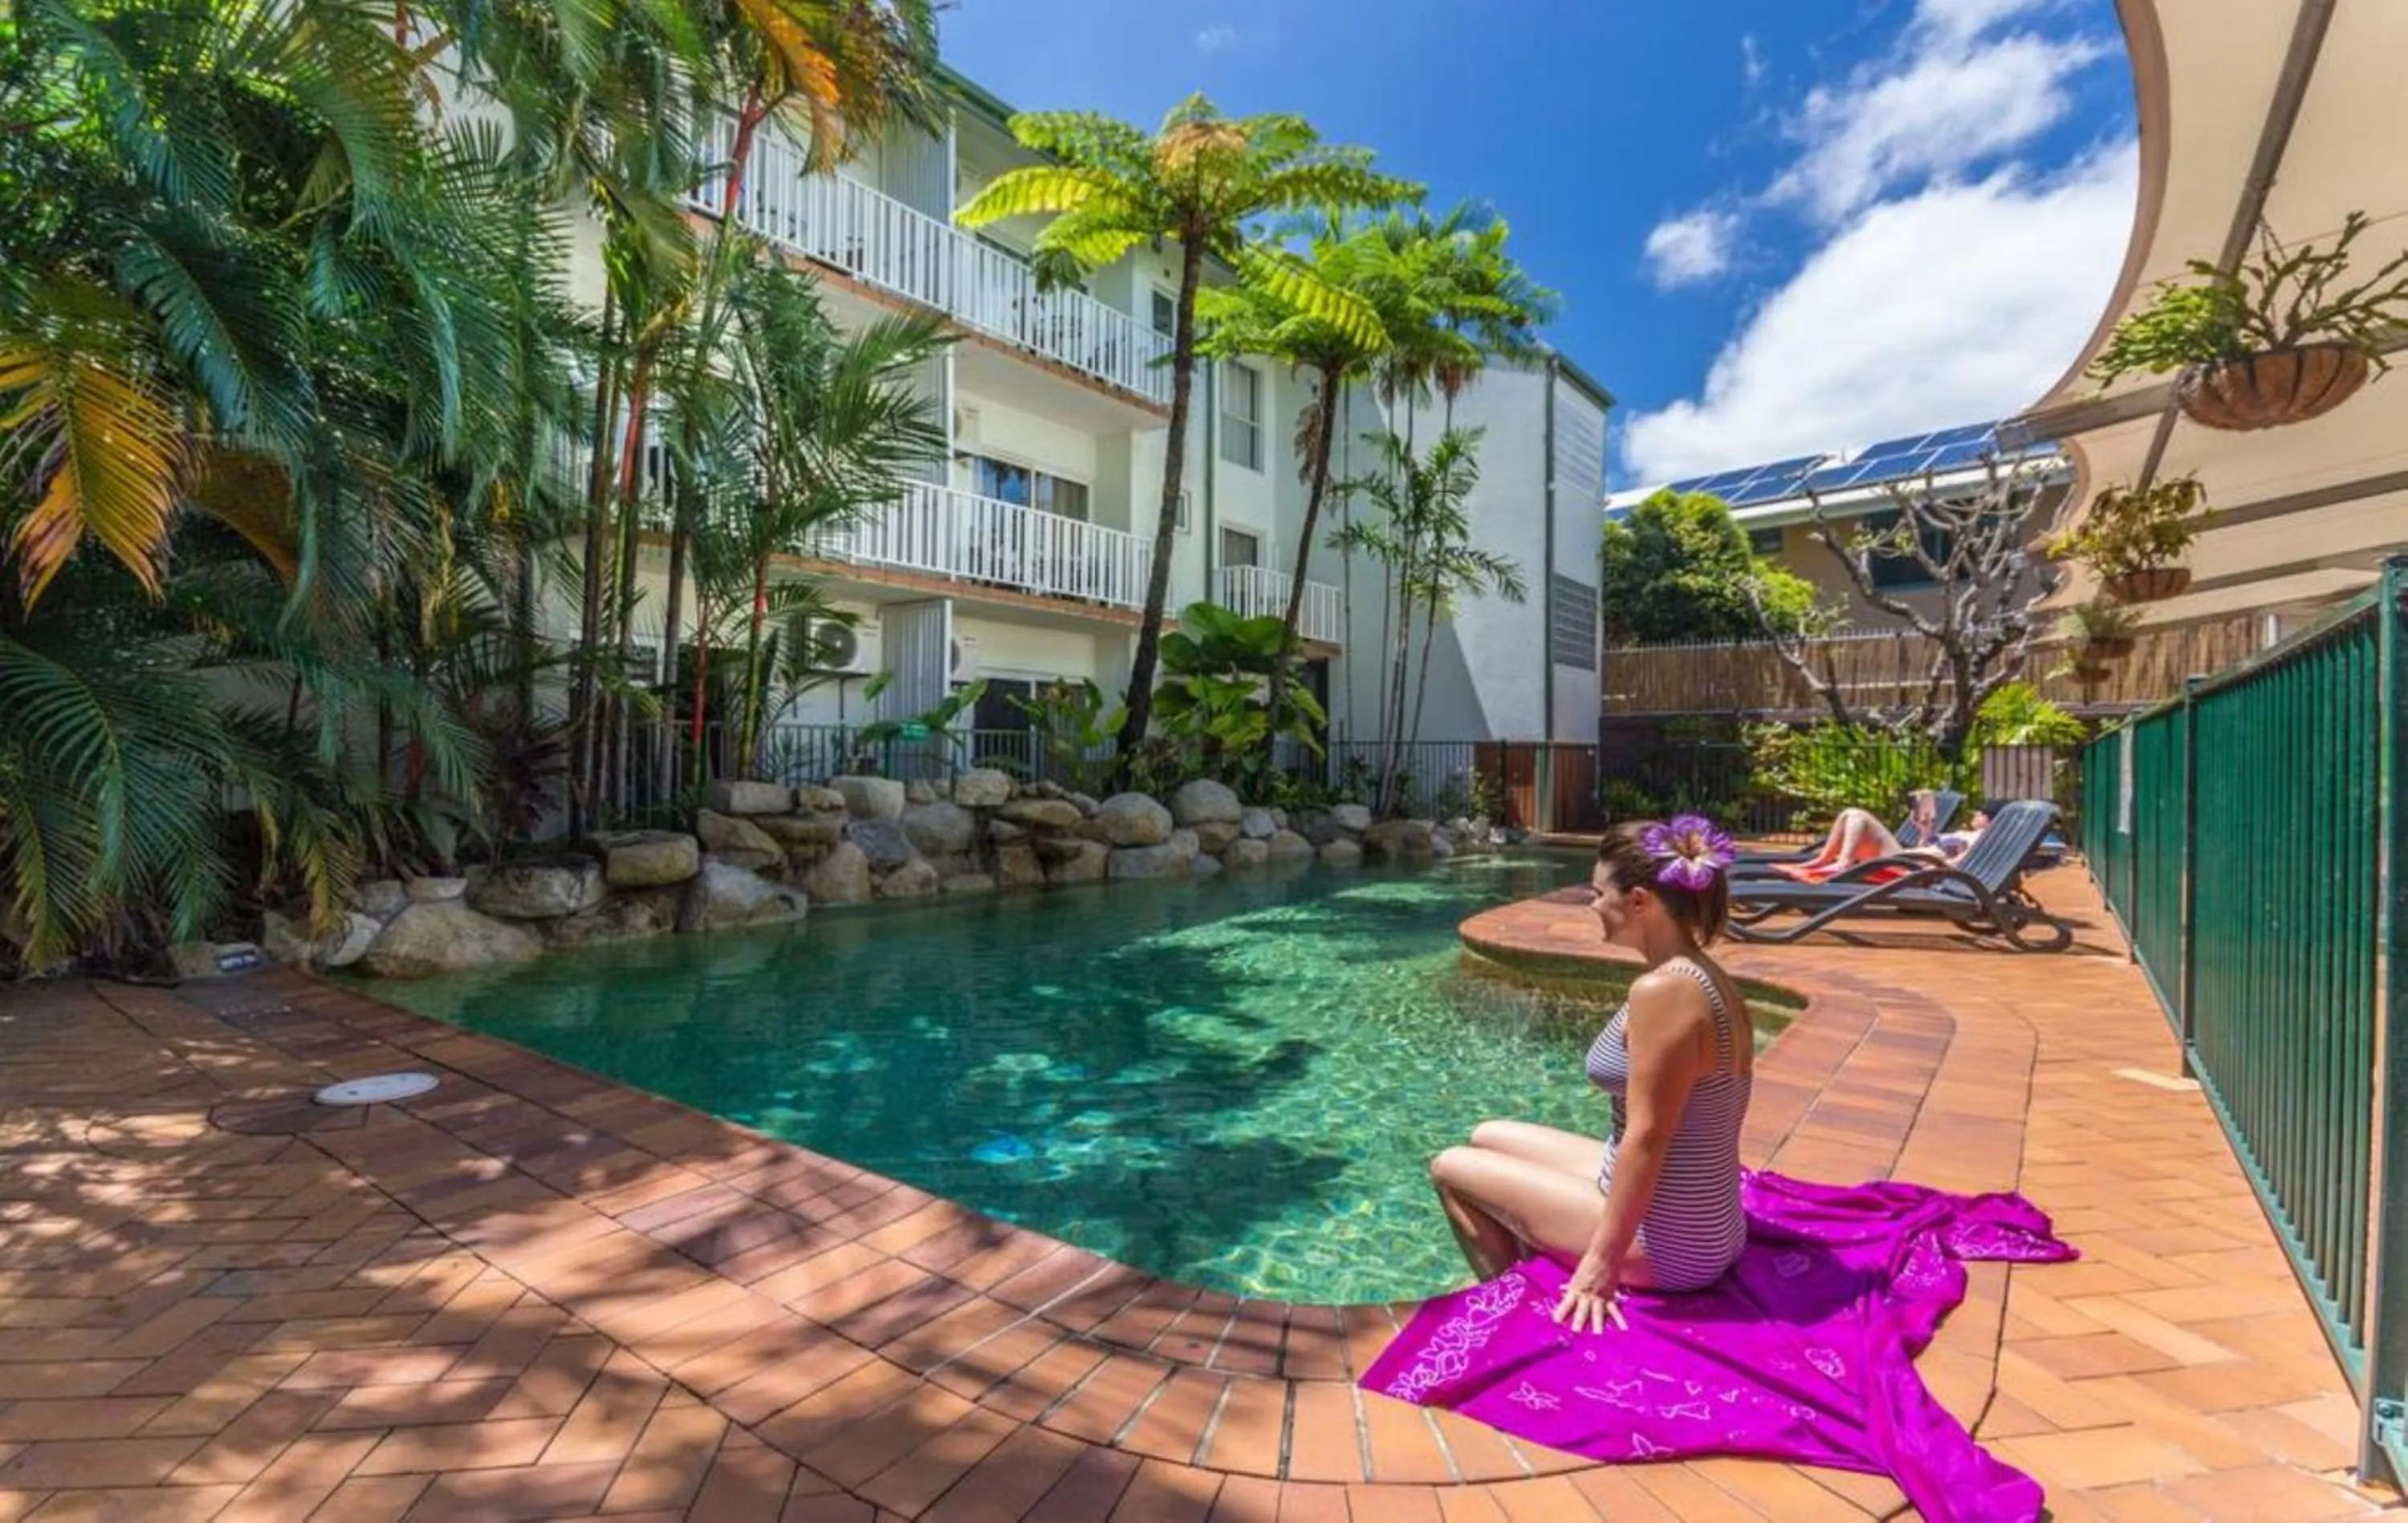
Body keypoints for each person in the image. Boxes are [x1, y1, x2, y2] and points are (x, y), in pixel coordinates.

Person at [1429, 816, 1754, 1334]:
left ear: (1640, 902)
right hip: (1706, 1220)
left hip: (1673, 1244)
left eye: (1599, 893)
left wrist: (1600, 1265)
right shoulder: (1697, 971)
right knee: (1486, 1134)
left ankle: (1526, 1314)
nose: (1592, 905)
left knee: (1450, 1167)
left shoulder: (1664, 994)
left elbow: (1649, 1138)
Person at [1771, 790, 1987, 883]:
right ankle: (1824, 860)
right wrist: (1925, 831)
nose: (1975, 815)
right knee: (1849, 814)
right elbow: (1930, 848)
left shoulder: (1980, 839)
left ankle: (1841, 864)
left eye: (1981, 814)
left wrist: (1932, 866)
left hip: (1911, 868)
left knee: (1859, 816)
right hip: (1909, 859)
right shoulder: (1964, 833)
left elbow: (1957, 864)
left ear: (1990, 821)